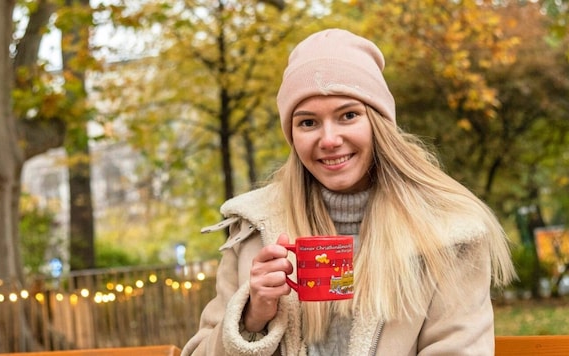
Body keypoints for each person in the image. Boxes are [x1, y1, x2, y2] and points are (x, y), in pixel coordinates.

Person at [181, 28, 516, 356]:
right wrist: (252, 316)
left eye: (348, 115)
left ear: (378, 123)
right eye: (308, 122)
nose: (328, 139)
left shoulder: (447, 232)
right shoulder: (254, 229)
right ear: (292, 134)